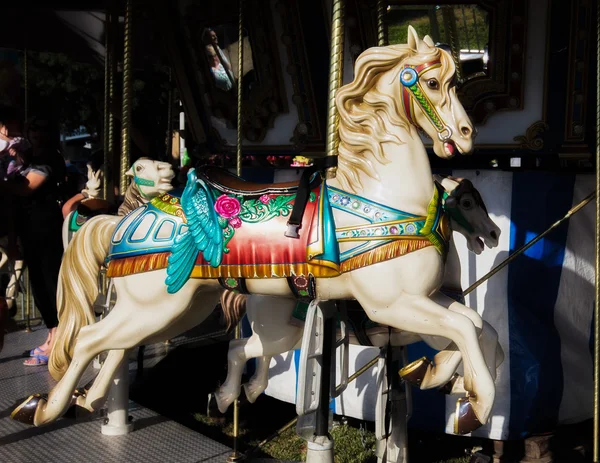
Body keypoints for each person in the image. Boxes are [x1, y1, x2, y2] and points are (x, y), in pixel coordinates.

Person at [0, 115, 66, 366]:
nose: (34, 133)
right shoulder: (28, 159)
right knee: (38, 284)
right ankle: (52, 335)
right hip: (30, 227)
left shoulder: (50, 159)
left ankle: (59, 337)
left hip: (46, 226)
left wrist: (4, 183)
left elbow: (26, 188)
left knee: (50, 281)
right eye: (31, 128)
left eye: (40, 128)